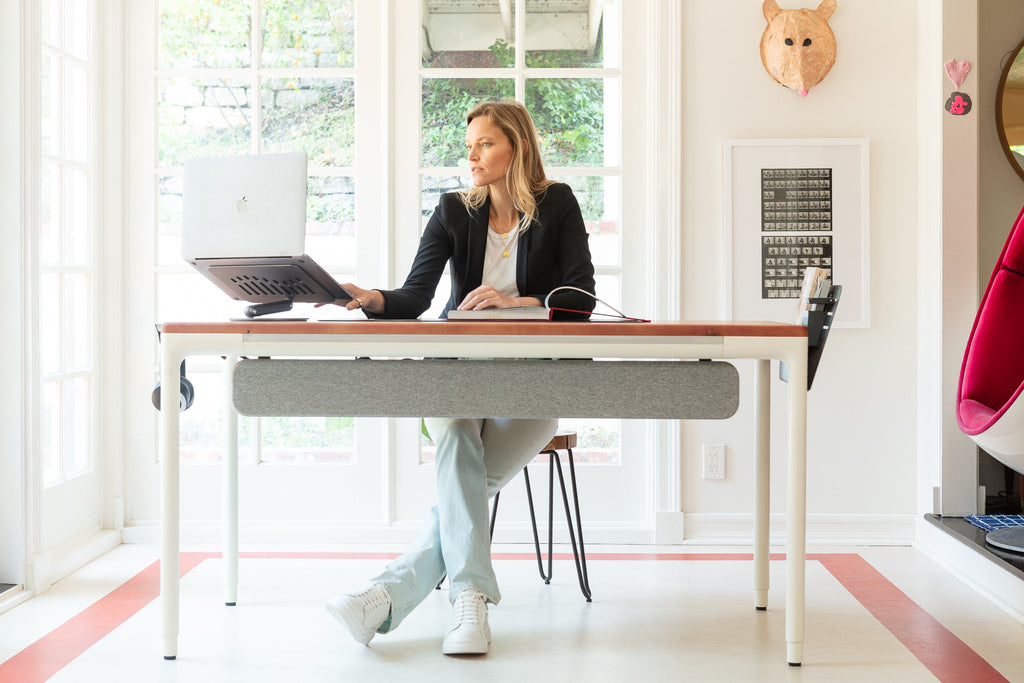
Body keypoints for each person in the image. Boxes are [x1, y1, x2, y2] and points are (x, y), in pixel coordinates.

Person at [322, 98, 596, 655]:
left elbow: (581, 296)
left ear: (515, 146)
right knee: (453, 433)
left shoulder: (558, 203)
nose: (471, 157)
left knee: (463, 484)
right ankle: (470, 603)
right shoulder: (453, 210)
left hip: (536, 377)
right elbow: (416, 295)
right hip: (455, 369)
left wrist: (517, 298)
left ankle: (382, 597)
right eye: (469, 146)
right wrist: (372, 297)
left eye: (485, 144)